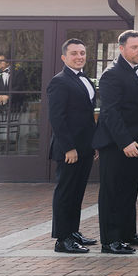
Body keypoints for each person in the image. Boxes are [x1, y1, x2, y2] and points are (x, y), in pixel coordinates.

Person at [92, 30, 138, 255]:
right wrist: (124, 141)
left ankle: (127, 233)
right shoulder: (112, 74)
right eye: (134, 47)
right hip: (115, 144)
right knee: (112, 193)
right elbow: (110, 112)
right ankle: (110, 241)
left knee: (129, 190)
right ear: (122, 49)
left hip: (136, 141)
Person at [48, 39, 97, 254]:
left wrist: (93, 144)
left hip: (85, 148)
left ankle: (73, 232)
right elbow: (57, 119)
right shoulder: (59, 81)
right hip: (69, 149)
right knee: (65, 193)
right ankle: (62, 239)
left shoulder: (85, 78)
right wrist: (69, 148)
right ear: (64, 57)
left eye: (82, 53)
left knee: (77, 192)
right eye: (74, 53)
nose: (79, 57)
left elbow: (88, 116)